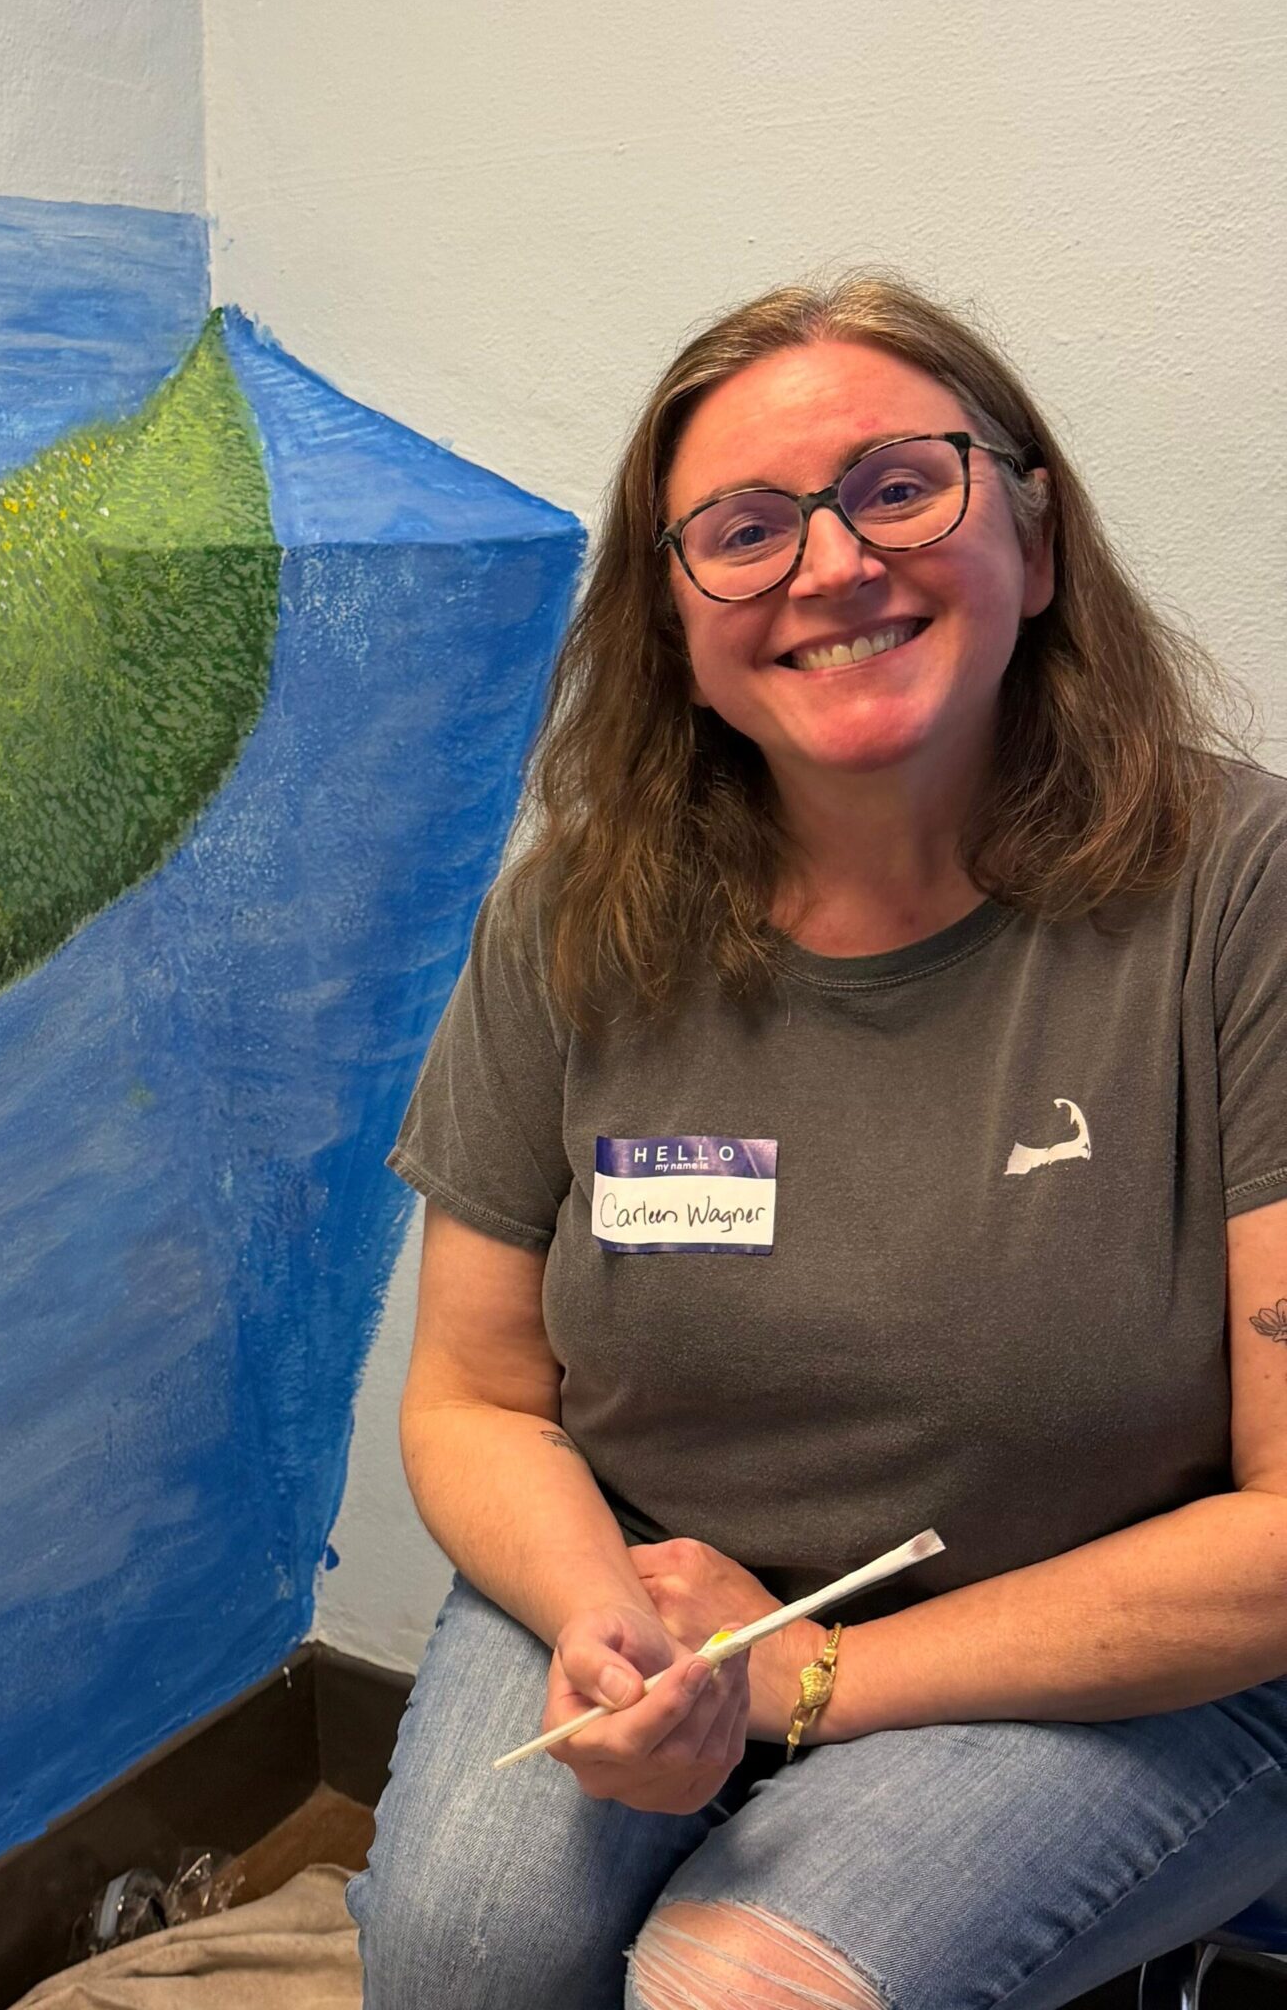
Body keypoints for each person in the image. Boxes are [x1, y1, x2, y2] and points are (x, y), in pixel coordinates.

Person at [347, 276, 1287, 2010]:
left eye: (899, 488)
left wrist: (805, 1681)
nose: (834, 565)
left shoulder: (1244, 890)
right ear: (677, 630)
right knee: (465, 1963)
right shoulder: (569, 923)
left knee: (736, 1990)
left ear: (1037, 539)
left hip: (1123, 1651)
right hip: (647, 1568)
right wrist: (604, 1624)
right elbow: (473, 1395)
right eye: (745, 531)